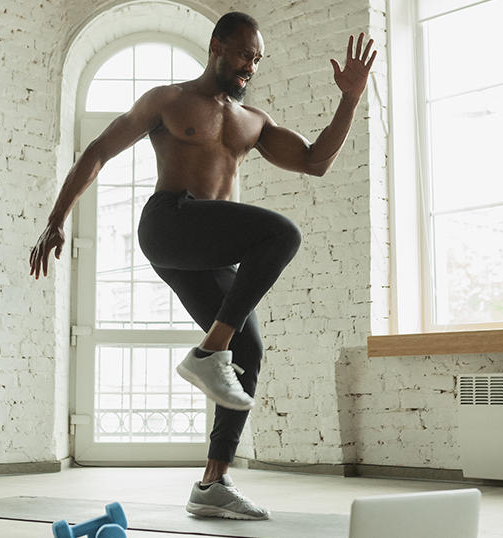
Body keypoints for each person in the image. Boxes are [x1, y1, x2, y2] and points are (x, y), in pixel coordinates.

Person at [30, 11, 375, 521]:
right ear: (217, 45)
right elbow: (100, 150)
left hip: (205, 250)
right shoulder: (168, 101)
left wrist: (349, 99)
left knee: (250, 348)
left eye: (257, 60)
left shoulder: (252, 121)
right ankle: (209, 351)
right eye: (243, 54)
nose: (249, 67)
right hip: (168, 223)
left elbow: (315, 160)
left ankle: (213, 483)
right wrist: (57, 218)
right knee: (281, 233)